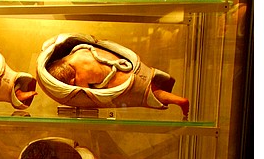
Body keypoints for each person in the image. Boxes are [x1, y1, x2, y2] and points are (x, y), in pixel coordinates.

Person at [46, 44, 190, 117]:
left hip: (122, 80)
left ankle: (179, 101)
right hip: (126, 64)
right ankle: (161, 81)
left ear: (70, 81)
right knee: (150, 84)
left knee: (152, 93)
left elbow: (83, 94)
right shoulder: (78, 51)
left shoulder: (80, 78)